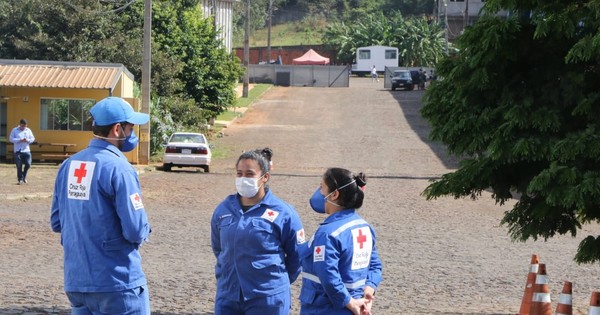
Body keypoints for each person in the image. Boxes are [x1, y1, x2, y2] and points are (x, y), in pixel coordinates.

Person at [50, 97, 152, 314]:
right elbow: (135, 230)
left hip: (77, 282)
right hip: (116, 283)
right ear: (117, 129)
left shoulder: (69, 165)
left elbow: (57, 222)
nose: (132, 132)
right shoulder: (119, 169)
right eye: (130, 127)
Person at [211, 149, 306, 315]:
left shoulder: (284, 213)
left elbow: (297, 257)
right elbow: (219, 248)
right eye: (239, 174)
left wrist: (274, 284)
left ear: (265, 177)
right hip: (229, 296)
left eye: (249, 174)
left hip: (267, 300)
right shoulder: (223, 209)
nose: (243, 179)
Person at [299, 168, 382, 315]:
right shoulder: (364, 227)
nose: (318, 192)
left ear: (334, 194)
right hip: (355, 305)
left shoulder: (328, 233)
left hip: (326, 308)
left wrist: (349, 302)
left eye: (321, 187)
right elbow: (375, 265)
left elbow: (327, 274)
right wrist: (369, 289)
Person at [10, 118, 35, 185]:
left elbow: (32, 138)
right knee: (19, 166)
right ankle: (20, 179)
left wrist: (28, 140)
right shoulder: (14, 130)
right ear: (20, 124)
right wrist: (19, 140)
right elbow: (11, 139)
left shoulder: (28, 130)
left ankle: (24, 175)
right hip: (18, 150)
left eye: (25, 126)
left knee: (28, 164)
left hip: (26, 150)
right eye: (22, 126)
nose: (24, 127)